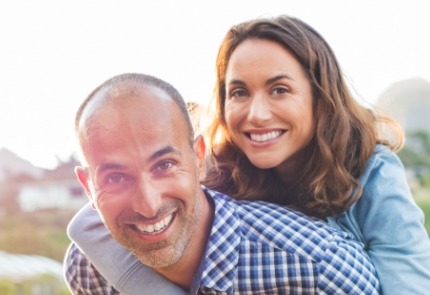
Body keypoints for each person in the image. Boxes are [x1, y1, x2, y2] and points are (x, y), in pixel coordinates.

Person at [67, 14, 430, 294]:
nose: (256, 114)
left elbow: (408, 276)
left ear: (319, 96)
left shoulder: (372, 173)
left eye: (279, 90)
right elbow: (89, 223)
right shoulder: (219, 165)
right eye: (239, 92)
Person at [64, 72, 381, 294]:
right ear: (88, 187)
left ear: (199, 159)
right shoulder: (90, 271)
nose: (148, 204)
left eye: (165, 165)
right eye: (116, 177)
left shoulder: (319, 271)